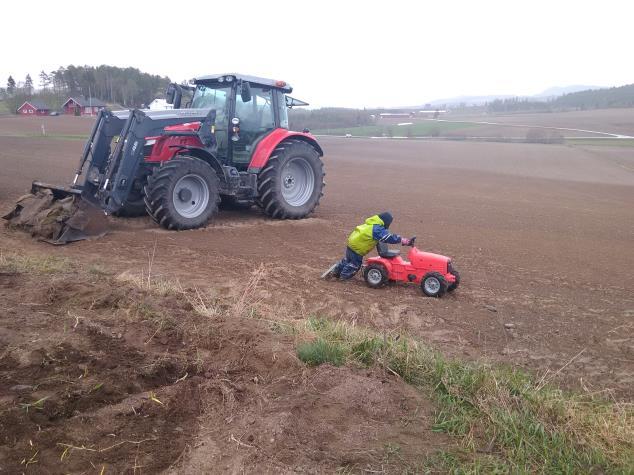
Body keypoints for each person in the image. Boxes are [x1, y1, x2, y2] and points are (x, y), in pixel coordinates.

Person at [324, 212, 413, 280]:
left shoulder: (372, 224)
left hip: (352, 244)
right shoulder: (377, 229)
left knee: (348, 260)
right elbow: (388, 237)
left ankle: (336, 271)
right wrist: (403, 240)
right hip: (357, 248)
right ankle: (344, 277)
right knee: (355, 264)